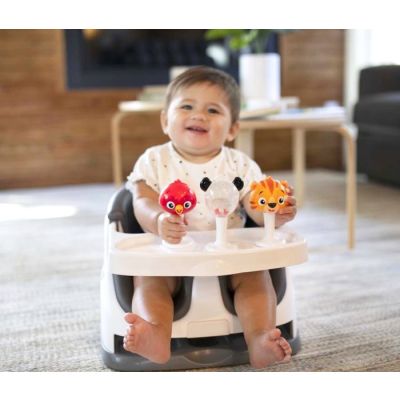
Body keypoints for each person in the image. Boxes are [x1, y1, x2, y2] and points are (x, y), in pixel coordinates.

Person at [123, 66, 297, 369]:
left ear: (232, 129)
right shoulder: (154, 160)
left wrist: (273, 213)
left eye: (213, 110)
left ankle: (259, 338)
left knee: (256, 277)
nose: (199, 115)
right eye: (187, 106)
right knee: (149, 280)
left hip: (229, 253)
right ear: (165, 120)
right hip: (170, 253)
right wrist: (159, 221)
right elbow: (141, 200)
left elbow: (255, 206)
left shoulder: (240, 166)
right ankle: (156, 333)